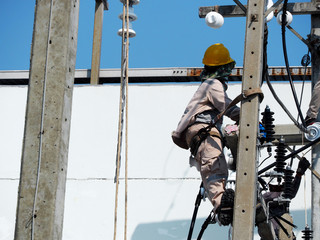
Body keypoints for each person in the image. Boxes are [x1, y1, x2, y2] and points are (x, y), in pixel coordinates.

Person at [171, 43, 240, 225]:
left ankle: (222, 203)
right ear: (223, 67)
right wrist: (246, 116)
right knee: (215, 166)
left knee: (215, 166)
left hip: (200, 131)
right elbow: (225, 105)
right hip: (203, 129)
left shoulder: (207, 83)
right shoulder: (213, 84)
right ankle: (222, 207)